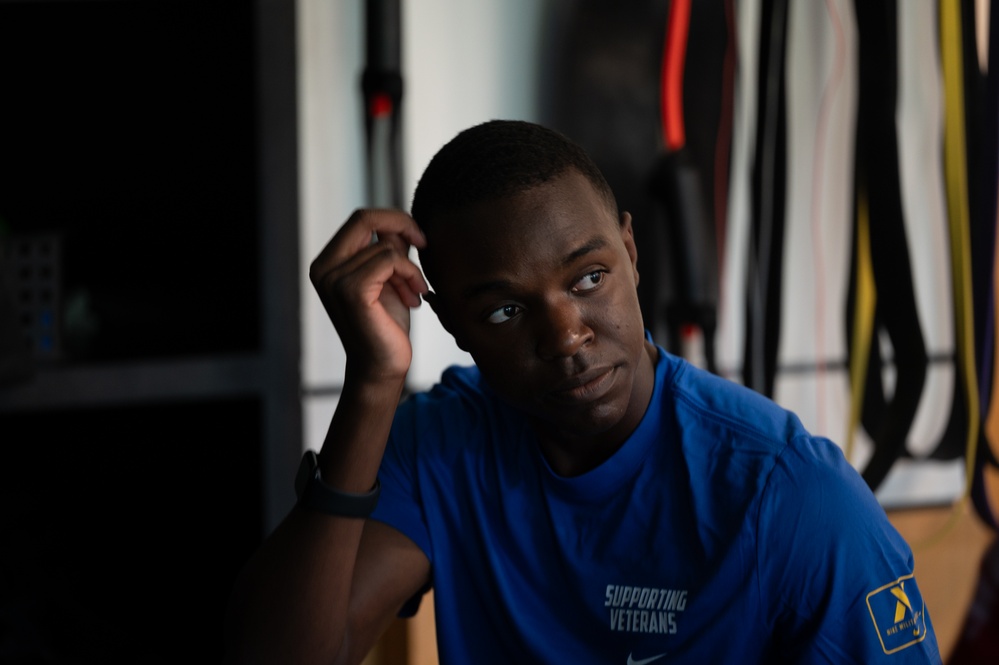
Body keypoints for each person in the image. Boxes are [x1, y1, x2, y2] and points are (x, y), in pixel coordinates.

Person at [224, 120, 941, 663]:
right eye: (505, 310)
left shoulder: (788, 496)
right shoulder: (441, 443)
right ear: (451, 324)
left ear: (630, 253)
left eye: (587, 277)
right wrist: (372, 381)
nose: (565, 334)